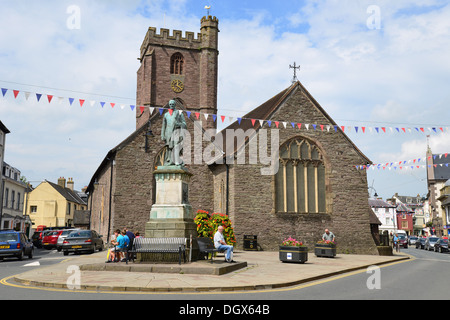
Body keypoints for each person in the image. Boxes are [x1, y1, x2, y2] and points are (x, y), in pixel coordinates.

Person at [161, 99, 187, 166]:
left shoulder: (179, 113)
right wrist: (162, 135)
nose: (171, 105)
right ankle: (170, 161)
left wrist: (179, 124)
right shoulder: (166, 115)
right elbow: (164, 125)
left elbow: (184, 123)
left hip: (176, 132)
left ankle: (177, 161)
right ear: (169, 105)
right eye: (170, 104)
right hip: (168, 133)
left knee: (176, 146)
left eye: (173, 104)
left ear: (175, 105)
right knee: (169, 148)